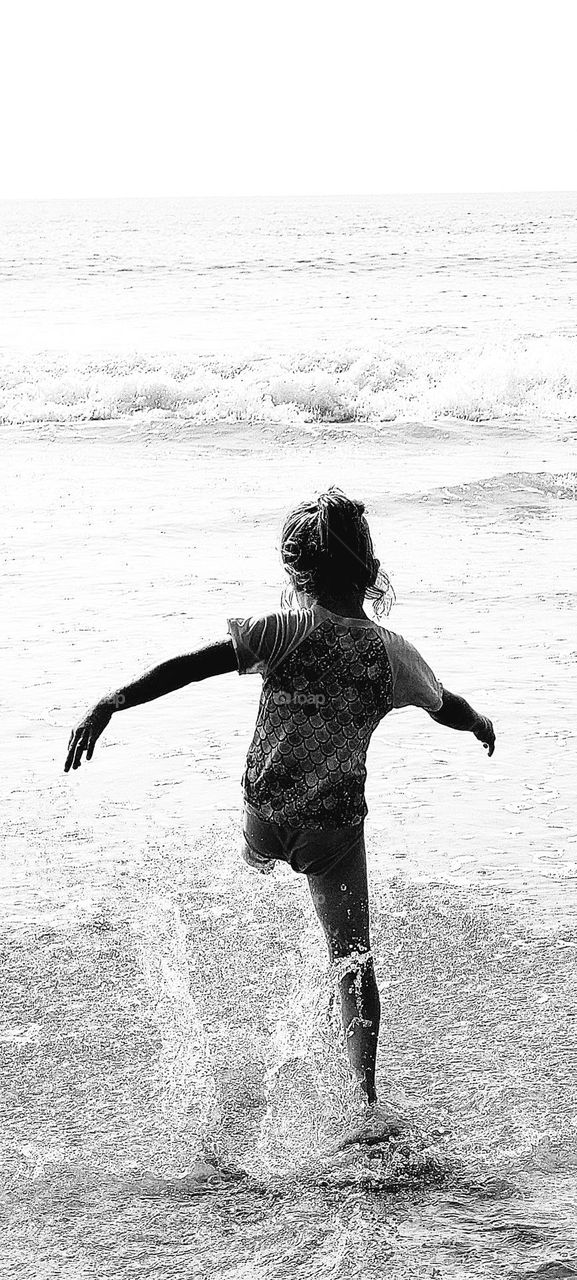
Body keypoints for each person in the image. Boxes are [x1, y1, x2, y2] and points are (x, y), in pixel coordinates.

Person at [65, 487, 495, 1125]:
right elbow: (447, 705)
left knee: (257, 855)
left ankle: (256, 861)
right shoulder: (393, 655)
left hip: (265, 813)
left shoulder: (283, 631)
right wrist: (481, 722)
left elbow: (188, 667)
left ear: (296, 571)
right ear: (373, 576)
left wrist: (111, 702)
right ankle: (365, 1098)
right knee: (352, 956)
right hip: (334, 832)